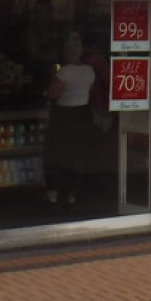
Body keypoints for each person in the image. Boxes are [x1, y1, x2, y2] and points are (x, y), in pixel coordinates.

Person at [43, 32, 100, 209]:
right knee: (77, 154)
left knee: (57, 153)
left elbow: (52, 93)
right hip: (82, 114)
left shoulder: (64, 72)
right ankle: (71, 193)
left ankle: (54, 191)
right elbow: (89, 89)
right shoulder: (89, 71)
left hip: (64, 115)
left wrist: (53, 76)